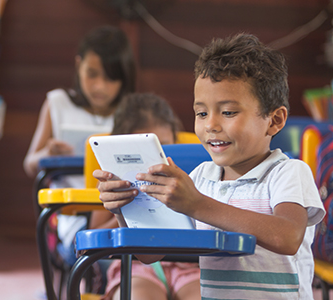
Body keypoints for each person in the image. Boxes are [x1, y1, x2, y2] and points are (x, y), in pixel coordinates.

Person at [93, 33, 325, 299]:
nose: (210, 125)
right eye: (201, 113)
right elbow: (151, 253)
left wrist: (198, 205)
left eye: (228, 112)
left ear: (274, 120)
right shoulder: (201, 178)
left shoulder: (288, 172)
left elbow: (288, 236)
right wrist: (126, 209)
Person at [87, 93, 200, 300]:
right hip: (135, 267)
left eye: (161, 147)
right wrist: (123, 213)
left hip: (189, 264)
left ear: (175, 140)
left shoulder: (193, 175)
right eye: (140, 151)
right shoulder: (112, 185)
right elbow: (97, 237)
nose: (152, 162)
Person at [23, 25, 137, 178]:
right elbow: (29, 164)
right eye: (92, 74)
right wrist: (47, 154)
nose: (99, 86)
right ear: (79, 66)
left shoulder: (134, 112)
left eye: (110, 78)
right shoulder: (58, 102)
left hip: (114, 200)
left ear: (123, 77)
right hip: (65, 199)